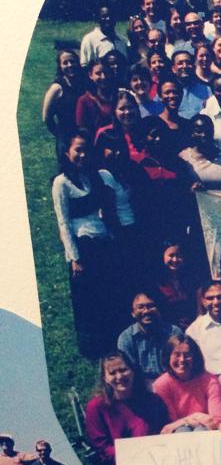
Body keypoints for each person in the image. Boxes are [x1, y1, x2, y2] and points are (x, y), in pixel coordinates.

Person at [51, 132, 119, 358]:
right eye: (77, 150)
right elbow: (63, 222)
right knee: (87, 300)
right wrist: (75, 258)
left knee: (106, 294)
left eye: (85, 150)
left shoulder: (93, 177)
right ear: (66, 152)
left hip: (102, 241)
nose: (82, 155)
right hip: (83, 247)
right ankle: (92, 347)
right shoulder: (62, 183)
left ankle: (110, 340)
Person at [152, 334, 221, 433]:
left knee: (200, 430)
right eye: (177, 354)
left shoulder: (210, 380)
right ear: (168, 357)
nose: (182, 360)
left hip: (205, 430)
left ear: (195, 357)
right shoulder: (161, 384)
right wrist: (195, 417)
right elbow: (170, 424)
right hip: (177, 434)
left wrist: (186, 421)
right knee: (182, 430)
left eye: (187, 355)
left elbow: (217, 420)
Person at [116, 291, 183, 385]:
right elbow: (128, 372)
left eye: (151, 306)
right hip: (141, 388)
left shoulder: (173, 332)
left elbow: (181, 365)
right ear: (133, 313)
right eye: (140, 307)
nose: (146, 311)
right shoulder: (126, 338)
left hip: (172, 384)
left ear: (158, 309)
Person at [42, 50, 85, 153]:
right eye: (65, 63)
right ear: (60, 66)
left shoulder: (83, 84)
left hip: (84, 136)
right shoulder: (56, 88)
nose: (70, 65)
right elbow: (46, 118)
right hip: (66, 137)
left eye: (72, 61)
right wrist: (59, 135)